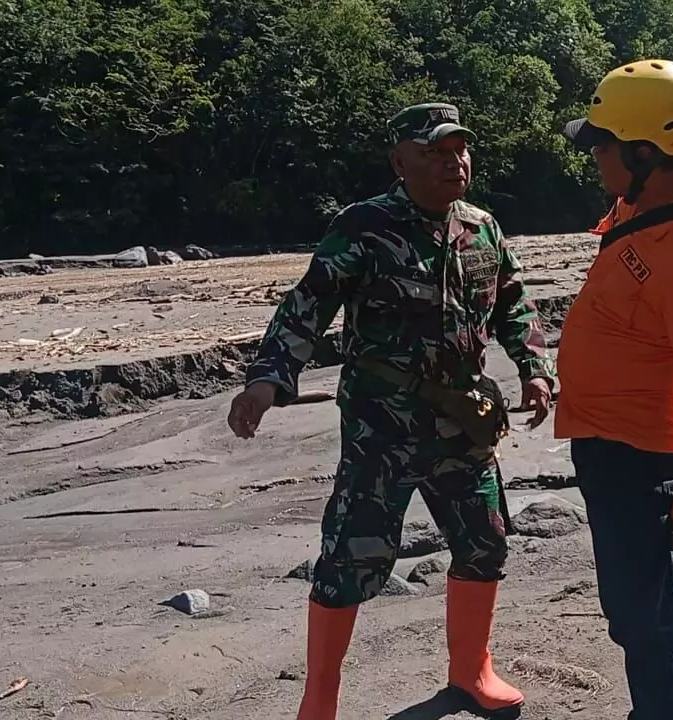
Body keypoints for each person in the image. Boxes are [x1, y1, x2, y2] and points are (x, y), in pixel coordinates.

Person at [226, 102, 556, 720]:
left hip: (464, 419)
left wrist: (535, 368)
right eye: (434, 152)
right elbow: (308, 305)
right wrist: (269, 380)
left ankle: (472, 671)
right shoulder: (364, 226)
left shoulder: (481, 227)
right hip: (382, 425)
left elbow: (514, 303)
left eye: (460, 149)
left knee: (485, 543)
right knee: (352, 557)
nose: (453, 162)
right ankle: (319, 700)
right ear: (399, 161)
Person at [554, 60, 673, 720]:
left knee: (645, 620)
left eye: (602, 146)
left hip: (640, 460)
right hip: (607, 445)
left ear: (644, 151)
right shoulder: (645, 203)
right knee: (639, 608)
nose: (594, 158)